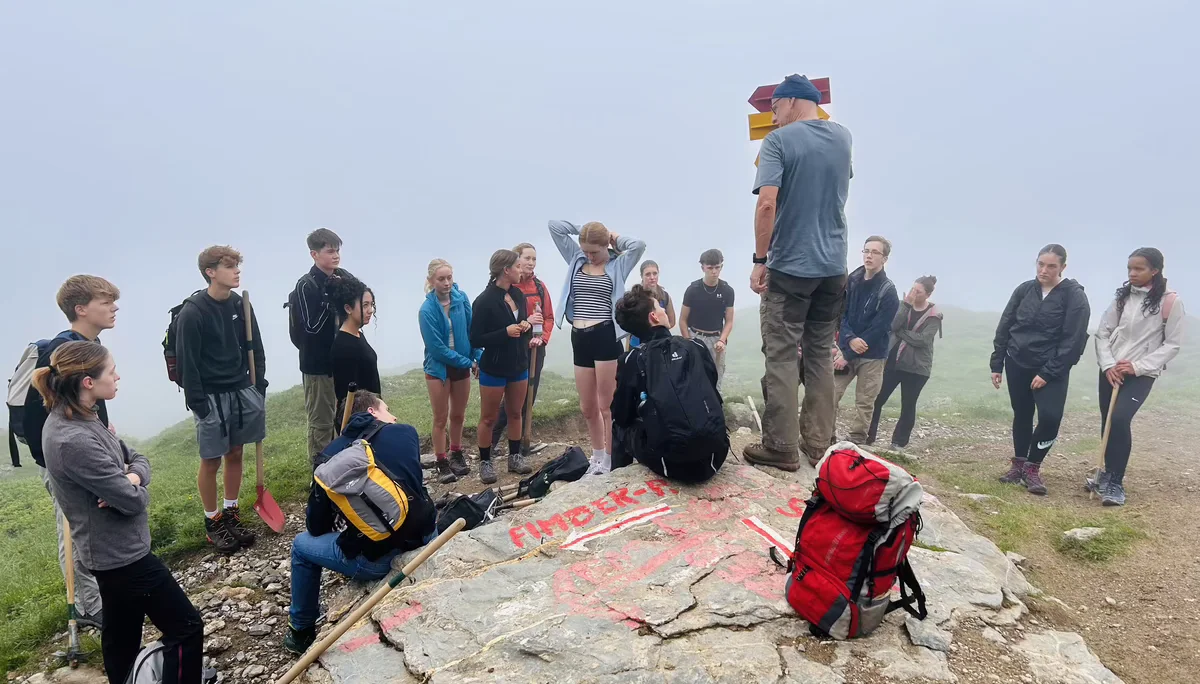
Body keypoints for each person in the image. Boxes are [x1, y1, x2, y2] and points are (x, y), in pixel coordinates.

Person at [35, 342, 204, 684]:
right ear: (88, 382)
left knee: (122, 641)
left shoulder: (83, 415)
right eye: (111, 372)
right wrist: (133, 485)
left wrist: (132, 476)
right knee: (187, 627)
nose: (118, 377)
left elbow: (135, 457)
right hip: (122, 557)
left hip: (111, 553)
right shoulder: (72, 439)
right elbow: (133, 502)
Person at [743, 74, 853, 471]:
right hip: (834, 266)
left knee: (782, 354)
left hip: (791, 264)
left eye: (775, 108)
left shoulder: (778, 141)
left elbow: (767, 204)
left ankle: (781, 446)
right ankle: (819, 443)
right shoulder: (843, 137)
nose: (773, 118)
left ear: (791, 101)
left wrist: (760, 260)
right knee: (820, 353)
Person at [284, 391, 435, 655]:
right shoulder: (405, 433)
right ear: (372, 412)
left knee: (300, 546)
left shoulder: (328, 460)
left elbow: (316, 527)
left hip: (377, 561)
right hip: (427, 537)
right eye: (387, 409)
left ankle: (300, 631)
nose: (393, 416)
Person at [22, 275, 119, 629]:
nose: (114, 308)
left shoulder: (88, 346)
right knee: (75, 529)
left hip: (85, 452)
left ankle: (98, 597)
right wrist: (53, 462)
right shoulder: (61, 352)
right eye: (105, 302)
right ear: (81, 309)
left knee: (89, 526)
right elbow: (38, 414)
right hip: (64, 460)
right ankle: (87, 606)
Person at [175, 245, 267, 553]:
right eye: (229, 266)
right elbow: (188, 363)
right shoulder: (193, 312)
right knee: (211, 459)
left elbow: (256, 347)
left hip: (241, 388)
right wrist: (199, 404)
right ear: (210, 272)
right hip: (210, 394)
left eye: (237, 265)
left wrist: (258, 385)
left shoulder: (241, 304)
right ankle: (212, 521)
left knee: (236, 452)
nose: (236, 271)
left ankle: (231, 512)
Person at [991, 244, 1091, 496]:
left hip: (1051, 368)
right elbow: (1006, 325)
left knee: (1050, 417)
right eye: (1040, 264)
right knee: (1022, 413)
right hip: (1017, 361)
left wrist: (1048, 372)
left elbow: (1074, 340)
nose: (1044, 270)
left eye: (1051, 266)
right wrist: (997, 363)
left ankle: (1033, 467)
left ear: (1063, 267)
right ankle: (1018, 465)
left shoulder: (1074, 297)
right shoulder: (1024, 290)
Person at [548, 220, 646, 474]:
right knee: (587, 406)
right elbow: (555, 227)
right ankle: (597, 457)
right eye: (586, 250)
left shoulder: (618, 264)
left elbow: (638, 245)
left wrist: (613, 236)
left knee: (606, 406)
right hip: (579, 337)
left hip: (605, 336)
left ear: (605, 247)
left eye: (594, 251)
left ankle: (610, 460)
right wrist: (585, 231)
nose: (589, 256)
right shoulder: (576, 258)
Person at [1090, 248, 1184, 506]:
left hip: (1141, 373)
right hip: (1111, 370)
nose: (1132, 273)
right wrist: (1108, 365)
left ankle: (1116, 482)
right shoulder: (1122, 297)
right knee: (1108, 421)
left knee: (1120, 419)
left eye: (1139, 269)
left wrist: (1137, 366)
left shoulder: (1170, 302)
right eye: (1130, 268)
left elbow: (1172, 344)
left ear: (1155, 270)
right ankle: (1106, 474)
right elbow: (1103, 332)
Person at [611, 286, 727, 482]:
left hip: (671, 464)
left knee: (618, 423)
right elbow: (712, 388)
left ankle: (617, 482)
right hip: (716, 456)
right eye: (659, 307)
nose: (664, 310)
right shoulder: (696, 346)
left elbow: (622, 414)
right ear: (654, 317)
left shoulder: (632, 359)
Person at [288, 228, 354, 468]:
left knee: (347, 416)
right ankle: (320, 474)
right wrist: (330, 298)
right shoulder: (306, 286)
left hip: (344, 360)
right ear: (314, 254)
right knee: (322, 423)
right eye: (330, 251)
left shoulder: (343, 276)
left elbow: (361, 303)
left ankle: (345, 469)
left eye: (337, 251)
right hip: (318, 366)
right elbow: (311, 328)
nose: (335, 256)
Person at [469, 250, 535, 484]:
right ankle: (485, 462)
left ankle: (514, 457)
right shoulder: (484, 301)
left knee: (515, 413)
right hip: (494, 368)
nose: (521, 269)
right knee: (488, 417)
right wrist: (504, 332)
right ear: (506, 270)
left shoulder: (518, 294)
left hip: (519, 364)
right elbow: (475, 338)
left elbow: (520, 326)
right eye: (517, 266)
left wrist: (525, 325)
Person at [418, 259, 480, 484]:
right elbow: (437, 349)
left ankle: (456, 452)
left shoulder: (461, 299)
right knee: (440, 417)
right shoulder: (426, 310)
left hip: (462, 364)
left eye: (449, 278)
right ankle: (441, 461)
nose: (446, 283)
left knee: (459, 414)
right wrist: (468, 362)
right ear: (431, 281)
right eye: (441, 279)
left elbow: (473, 331)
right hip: (439, 368)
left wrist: (477, 357)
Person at [833, 237, 900, 445]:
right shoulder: (852, 280)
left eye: (875, 252)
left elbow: (880, 328)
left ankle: (857, 440)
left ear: (884, 258)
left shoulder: (888, 291)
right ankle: (825, 434)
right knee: (831, 393)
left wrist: (850, 350)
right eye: (866, 251)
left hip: (873, 356)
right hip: (847, 349)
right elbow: (841, 313)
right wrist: (849, 340)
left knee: (865, 401)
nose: (869, 256)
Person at [491, 243, 554, 459]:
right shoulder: (509, 287)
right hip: (515, 347)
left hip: (536, 348)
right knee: (512, 398)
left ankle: (521, 443)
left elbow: (548, 317)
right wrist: (526, 325)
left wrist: (542, 339)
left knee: (530, 395)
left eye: (534, 259)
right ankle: (492, 441)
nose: (531, 263)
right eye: (527, 258)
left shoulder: (540, 287)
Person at [869, 276, 942, 451]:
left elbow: (923, 340)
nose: (913, 294)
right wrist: (906, 306)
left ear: (928, 295)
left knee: (908, 404)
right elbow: (893, 325)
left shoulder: (934, 315)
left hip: (917, 367)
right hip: (893, 362)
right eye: (912, 289)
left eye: (918, 292)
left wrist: (902, 333)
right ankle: (868, 435)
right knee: (877, 399)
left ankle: (899, 443)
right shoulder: (903, 305)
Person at [680, 249, 736, 391]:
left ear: (721, 266)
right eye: (710, 268)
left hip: (717, 339)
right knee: (694, 378)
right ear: (703, 268)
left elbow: (729, 321)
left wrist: (722, 340)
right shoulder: (693, 289)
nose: (714, 272)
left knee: (716, 380)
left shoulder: (727, 290)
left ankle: (716, 404)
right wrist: (688, 341)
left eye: (717, 267)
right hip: (696, 336)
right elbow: (683, 320)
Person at [327, 275, 381, 411]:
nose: (371, 310)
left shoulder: (357, 335)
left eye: (371, 304)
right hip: (362, 418)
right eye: (365, 305)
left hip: (372, 412)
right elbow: (347, 398)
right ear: (348, 308)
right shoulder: (343, 347)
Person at [629, 260, 675, 347]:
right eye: (648, 274)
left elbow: (672, 322)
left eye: (655, 273)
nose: (652, 277)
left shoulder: (665, 296)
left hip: (659, 342)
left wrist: (659, 329)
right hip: (638, 343)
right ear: (641, 276)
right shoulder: (635, 296)